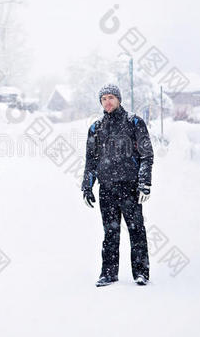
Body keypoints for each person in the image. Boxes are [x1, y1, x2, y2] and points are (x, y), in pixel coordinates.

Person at [81, 84, 154, 287]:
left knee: (136, 229)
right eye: (103, 98)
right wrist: (87, 186)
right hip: (107, 188)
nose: (108, 101)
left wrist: (144, 183)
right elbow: (91, 160)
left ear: (119, 99)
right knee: (110, 232)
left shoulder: (134, 123)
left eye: (111, 97)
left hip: (130, 187)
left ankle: (141, 273)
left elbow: (147, 155)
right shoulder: (96, 128)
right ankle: (109, 273)